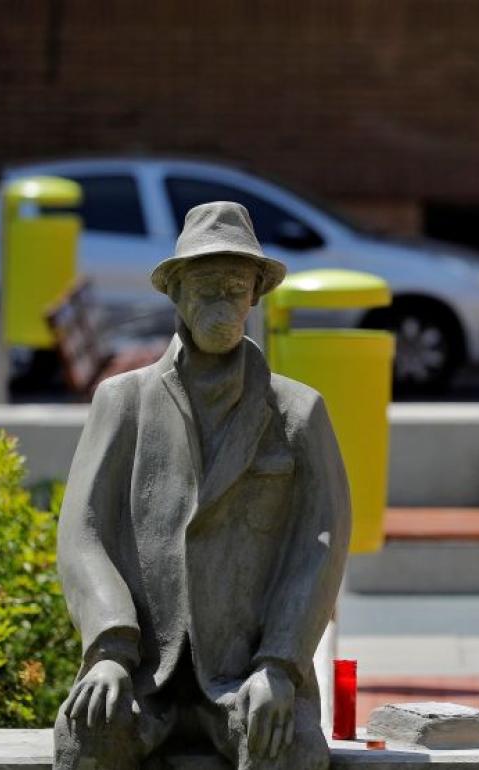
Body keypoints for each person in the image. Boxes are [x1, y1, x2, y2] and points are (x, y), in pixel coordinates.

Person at [55, 202, 352, 769]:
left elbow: (321, 544)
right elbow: (82, 531)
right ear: (177, 294)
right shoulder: (124, 403)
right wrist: (111, 650)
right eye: (205, 285)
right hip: (144, 672)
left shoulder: (297, 412)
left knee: (285, 748)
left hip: (247, 672)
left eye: (234, 286)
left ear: (254, 297)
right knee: (86, 732)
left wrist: (281, 664)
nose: (221, 300)